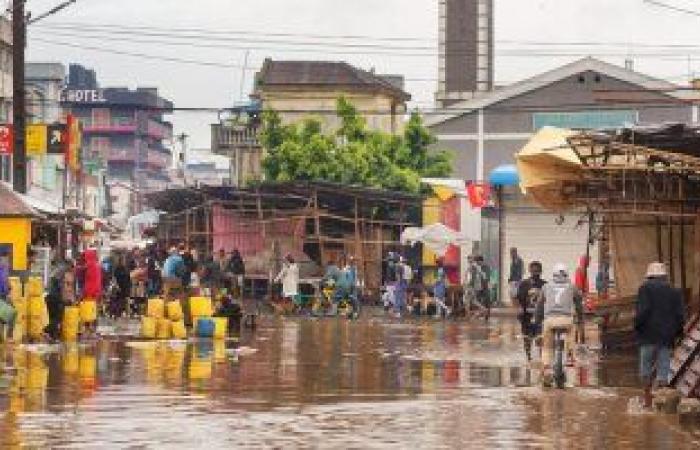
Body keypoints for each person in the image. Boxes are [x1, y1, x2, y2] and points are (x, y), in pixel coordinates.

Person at [635, 262, 686, 408]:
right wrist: (678, 333)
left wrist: (637, 328)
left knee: (646, 370)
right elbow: (680, 316)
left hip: (647, 336)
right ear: (664, 276)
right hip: (666, 337)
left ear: (649, 275)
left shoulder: (644, 289)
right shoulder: (675, 291)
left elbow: (642, 312)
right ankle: (662, 404)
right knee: (663, 371)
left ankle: (647, 402)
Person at [536, 263, 583, 386]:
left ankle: (546, 369)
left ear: (553, 274)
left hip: (550, 320)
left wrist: (537, 321)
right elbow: (579, 305)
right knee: (571, 332)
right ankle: (570, 356)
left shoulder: (546, 287)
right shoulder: (572, 287)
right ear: (567, 274)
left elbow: (539, 306)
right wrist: (581, 321)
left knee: (547, 347)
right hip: (566, 320)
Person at [516, 261, 547, 360]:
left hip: (540, 316)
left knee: (540, 337)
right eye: (533, 271)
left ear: (541, 271)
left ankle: (541, 357)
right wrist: (520, 309)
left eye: (537, 271)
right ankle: (528, 357)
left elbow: (548, 300)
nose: (535, 273)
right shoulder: (524, 284)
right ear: (529, 271)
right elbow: (519, 298)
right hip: (526, 315)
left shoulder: (545, 285)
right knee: (527, 338)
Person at [45, 257, 68, 341]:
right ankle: (52, 334)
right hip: (55, 298)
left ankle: (50, 333)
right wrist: (64, 299)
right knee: (57, 317)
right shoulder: (63, 272)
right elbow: (61, 286)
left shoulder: (56, 271)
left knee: (51, 316)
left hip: (49, 296)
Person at [82, 249, 103, 336]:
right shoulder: (97, 265)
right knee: (94, 310)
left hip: (89, 291)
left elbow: (83, 274)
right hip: (96, 290)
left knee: (88, 310)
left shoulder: (89, 265)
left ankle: (89, 329)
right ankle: (93, 328)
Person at [0, 250, 16, 343]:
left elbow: (6, 283)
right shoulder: (2, 269)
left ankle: (6, 337)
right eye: (4, 259)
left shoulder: (5, 269)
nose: (6, 261)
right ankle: (9, 337)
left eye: (7, 259)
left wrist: (9, 288)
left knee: (9, 314)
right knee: (12, 314)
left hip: (3, 298)